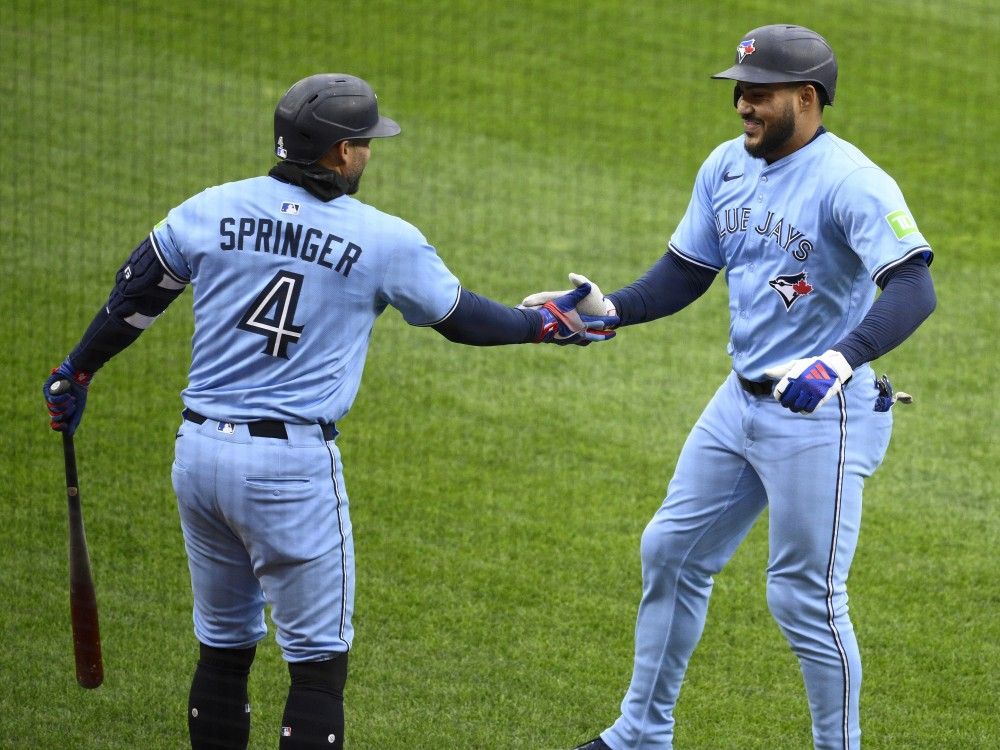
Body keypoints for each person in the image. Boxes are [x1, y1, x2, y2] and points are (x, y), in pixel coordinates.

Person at [43, 73, 617, 750]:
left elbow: (135, 296)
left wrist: (76, 370)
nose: (370, 154)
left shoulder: (210, 207)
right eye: (366, 142)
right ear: (341, 153)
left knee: (223, 649)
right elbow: (461, 320)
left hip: (198, 458)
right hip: (290, 470)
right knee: (317, 667)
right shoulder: (383, 238)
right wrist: (546, 325)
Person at [542, 24, 937, 750]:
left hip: (826, 414)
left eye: (758, 94)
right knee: (671, 551)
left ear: (808, 99)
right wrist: (614, 311)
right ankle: (640, 733)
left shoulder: (852, 182)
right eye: (740, 92)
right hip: (740, 403)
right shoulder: (727, 166)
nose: (742, 107)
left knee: (803, 599)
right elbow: (688, 270)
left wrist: (839, 361)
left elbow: (914, 287)